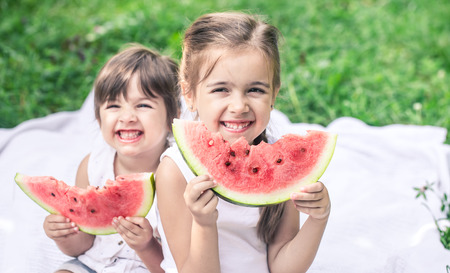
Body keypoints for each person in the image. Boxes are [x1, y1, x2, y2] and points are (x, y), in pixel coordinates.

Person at [155, 12, 331, 273]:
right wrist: (204, 224)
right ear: (189, 94)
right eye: (221, 89)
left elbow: (283, 267)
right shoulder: (174, 171)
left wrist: (318, 219)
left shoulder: (278, 164)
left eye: (255, 90)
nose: (239, 106)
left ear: (274, 93)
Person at [43, 44, 180, 273]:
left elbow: (177, 266)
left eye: (143, 105)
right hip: (92, 264)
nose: (127, 117)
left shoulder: (176, 176)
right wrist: (64, 235)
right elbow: (83, 245)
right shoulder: (93, 166)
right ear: (98, 119)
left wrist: (147, 246)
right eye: (114, 105)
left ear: (171, 118)